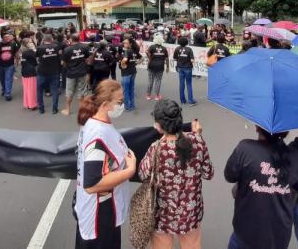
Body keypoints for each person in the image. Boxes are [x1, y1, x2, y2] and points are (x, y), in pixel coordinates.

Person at [139, 100, 213, 249]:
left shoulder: (156, 148)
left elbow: (143, 174)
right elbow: (208, 173)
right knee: (192, 245)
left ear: (160, 127)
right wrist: (197, 135)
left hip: (163, 213)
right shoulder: (197, 141)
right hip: (191, 212)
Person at [75, 80, 136, 249]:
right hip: (100, 212)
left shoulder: (95, 123)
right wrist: (130, 170)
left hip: (99, 207)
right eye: (119, 101)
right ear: (105, 104)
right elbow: (92, 184)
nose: (122, 105)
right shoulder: (98, 133)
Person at [224, 126, 298, 249]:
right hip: (279, 234)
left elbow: (229, 176)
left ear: (257, 128)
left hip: (245, 232)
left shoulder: (245, 149)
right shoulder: (295, 156)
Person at [62, 34, 91, 116]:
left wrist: (68, 67)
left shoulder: (67, 49)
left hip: (70, 73)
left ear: (71, 39)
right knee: (82, 91)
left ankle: (67, 110)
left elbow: (63, 63)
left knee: (69, 92)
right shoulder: (84, 47)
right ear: (78, 39)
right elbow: (87, 59)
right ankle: (82, 110)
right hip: (82, 72)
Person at [35, 34, 62, 114]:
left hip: (42, 72)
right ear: (51, 39)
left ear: (44, 39)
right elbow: (60, 57)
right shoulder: (56, 47)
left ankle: (41, 108)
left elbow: (36, 58)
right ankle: (54, 108)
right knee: (54, 90)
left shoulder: (39, 48)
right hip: (54, 71)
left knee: (39, 90)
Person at [0, 33, 19, 101]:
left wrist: (17, 59)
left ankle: (8, 94)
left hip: (10, 65)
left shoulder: (13, 44)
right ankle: (4, 89)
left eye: (9, 36)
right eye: (6, 37)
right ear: (2, 38)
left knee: (8, 79)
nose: (8, 38)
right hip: (0, 65)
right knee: (2, 79)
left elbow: (16, 52)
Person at [146, 33, 169, 101]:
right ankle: (156, 96)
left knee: (150, 80)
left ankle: (148, 95)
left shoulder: (152, 47)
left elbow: (146, 52)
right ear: (161, 40)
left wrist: (149, 57)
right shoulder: (164, 48)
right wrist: (168, 67)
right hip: (160, 66)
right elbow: (166, 58)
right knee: (158, 81)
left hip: (152, 65)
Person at [174, 37, 196, 106]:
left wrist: (177, 64)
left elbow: (175, 58)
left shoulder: (177, 49)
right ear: (186, 42)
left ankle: (182, 100)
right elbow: (192, 60)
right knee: (189, 84)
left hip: (180, 67)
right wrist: (194, 63)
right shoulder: (189, 49)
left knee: (181, 84)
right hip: (188, 68)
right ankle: (190, 100)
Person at [119, 37, 138, 111]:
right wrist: (136, 63)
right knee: (131, 89)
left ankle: (127, 106)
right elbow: (141, 58)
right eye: (124, 42)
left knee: (125, 90)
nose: (124, 44)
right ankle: (132, 105)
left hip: (126, 73)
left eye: (126, 43)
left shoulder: (127, 51)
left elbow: (125, 60)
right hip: (133, 72)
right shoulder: (134, 51)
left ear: (130, 44)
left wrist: (122, 64)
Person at [20, 38, 38, 110]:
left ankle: (27, 103)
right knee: (32, 89)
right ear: (26, 44)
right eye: (30, 42)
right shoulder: (30, 51)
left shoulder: (23, 51)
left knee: (26, 89)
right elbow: (35, 62)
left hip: (24, 71)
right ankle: (32, 104)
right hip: (31, 71)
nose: (32, 43)